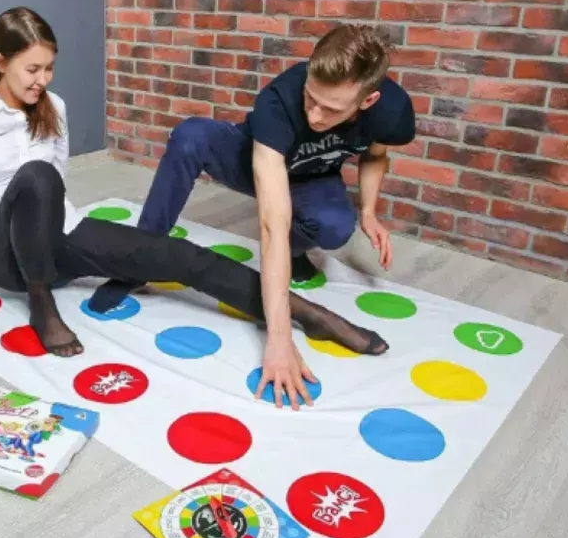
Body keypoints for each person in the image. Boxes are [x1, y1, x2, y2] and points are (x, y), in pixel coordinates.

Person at [0, 8, 389, 408]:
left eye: (49, 69)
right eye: (32, 70)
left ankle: (310, 315)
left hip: (59, 238)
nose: (43, 80)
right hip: (5, 257)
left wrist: (105, 247)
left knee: (178, 256)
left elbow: (57, 189)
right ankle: (41, 305)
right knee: (36, 175)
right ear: (0, 62)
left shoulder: (53, 106)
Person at [89, 22, 415, 407]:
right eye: (310, 98)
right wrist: (279, 338)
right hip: (253, 159)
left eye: (330, 109)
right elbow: (271, 224)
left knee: (336, 226)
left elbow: (375, 156)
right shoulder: (278, 101)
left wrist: (369, 212)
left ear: (368, 100)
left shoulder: (392, 110)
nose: (314, 115)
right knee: (191, 135)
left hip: (312, 176)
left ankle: (296, 253)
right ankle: (137, 259)